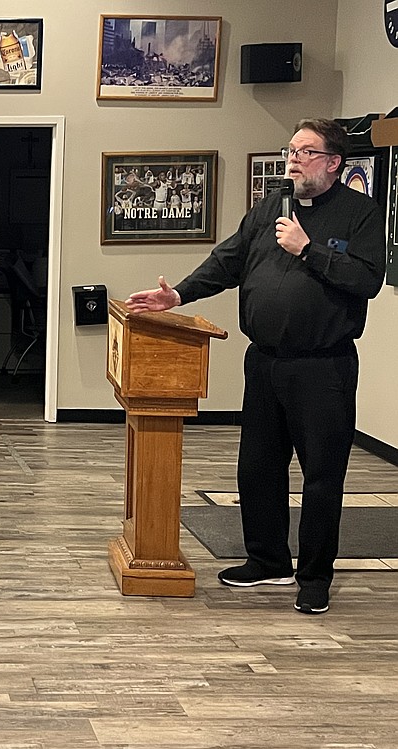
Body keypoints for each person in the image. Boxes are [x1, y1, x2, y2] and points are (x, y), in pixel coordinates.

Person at [127, 118, 386, 615]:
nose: (293, 158)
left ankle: (314, 577)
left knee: (321, 476)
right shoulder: (271, 207)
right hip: (265, 363)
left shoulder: (360, 214)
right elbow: (228, 261)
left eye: (306, 152)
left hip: (323, 368)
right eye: (291, 149)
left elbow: (368, 281)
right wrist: (177, 294)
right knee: (258, 469)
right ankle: (267, 560)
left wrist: (308, 250)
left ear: (334, 162)